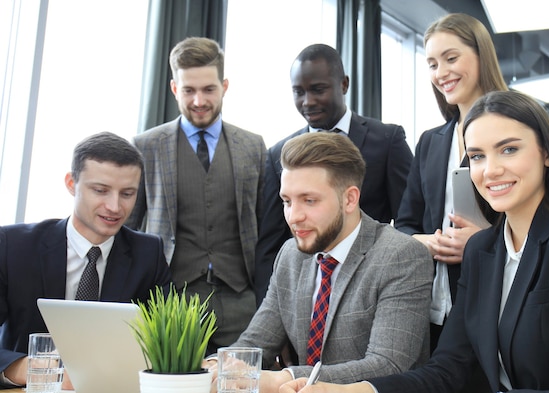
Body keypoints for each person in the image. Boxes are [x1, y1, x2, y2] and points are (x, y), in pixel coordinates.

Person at [279, 90, 549, 393]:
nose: (490, 170)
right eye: (477, 156)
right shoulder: (483, 252)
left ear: (547, 153)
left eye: (508, 149)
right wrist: (356, 391)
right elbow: (448, 371)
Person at [213, 132, 432, 392]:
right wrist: (218, 367)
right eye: (286, 201)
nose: (293, 217)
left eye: (309, 200)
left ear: (350, 199)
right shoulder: (289, 255)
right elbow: (256, 341)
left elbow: (387, 365)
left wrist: (285, 377)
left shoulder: (401, 255)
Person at [126, 37, 266, 355]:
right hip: (169, 302)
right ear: (175, 88)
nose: (199, 100)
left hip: (242, 305)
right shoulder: (146, 146)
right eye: (189, 90)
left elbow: (266, 230)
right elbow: (129, 232)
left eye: (209, 89)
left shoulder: (254, 146)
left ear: (225, 86)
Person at [0, 132, 172, 389]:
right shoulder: (13, 246)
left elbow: (169, 345)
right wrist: (27, 368)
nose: (115, 207)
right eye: (100, 191)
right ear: (71, 183)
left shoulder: (149, 254)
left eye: (127, 194)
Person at [254, 43, 413, 305]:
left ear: (344, 84)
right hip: (306, 295)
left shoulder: (387, 141)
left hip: (372, 288)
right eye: (298, 92)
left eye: (318, 89)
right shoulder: (278, 154)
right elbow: (269, 245)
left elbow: (409, 220)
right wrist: (273, 312)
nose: (308, 101)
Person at [394, 13, 508, 352]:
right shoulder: (431, 141)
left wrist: (484, 239)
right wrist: (423, 242)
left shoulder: (514, 129)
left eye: (451, 58)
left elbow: (540, 216)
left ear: (481, 55)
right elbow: (404, 223)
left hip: (495, 297)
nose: (441, 72)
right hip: (433, 306)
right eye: (431, 63)